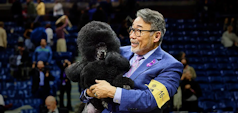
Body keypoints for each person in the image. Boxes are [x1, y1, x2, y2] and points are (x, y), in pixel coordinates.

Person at [80, 8, 183, 113]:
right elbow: (92, 77)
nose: (132, 36)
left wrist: (112, 92)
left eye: (139, 31)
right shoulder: (118, 51)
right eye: (132, 29)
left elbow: (150, 100)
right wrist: (88, 93)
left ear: (156, 36)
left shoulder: (170, 66)